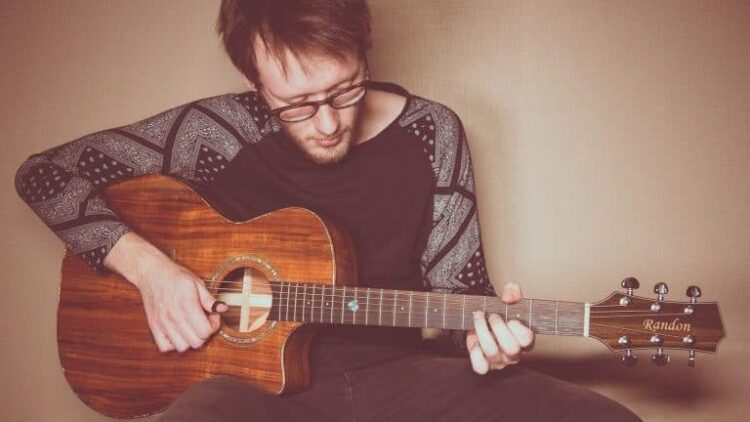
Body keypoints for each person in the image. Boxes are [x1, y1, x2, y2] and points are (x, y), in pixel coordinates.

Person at [15, 1, 640, 420]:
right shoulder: (217, 132)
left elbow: (461, 303)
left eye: (345, 90)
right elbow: (42, 174)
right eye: (295, 104)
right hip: (247, 393)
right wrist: (151, 272)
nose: (326, 123)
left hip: (402, 378)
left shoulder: (433, 134)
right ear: (255, 84)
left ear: (364, 50)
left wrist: (488, 341)